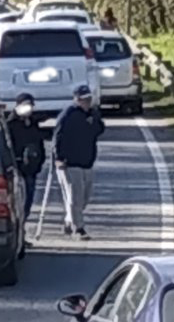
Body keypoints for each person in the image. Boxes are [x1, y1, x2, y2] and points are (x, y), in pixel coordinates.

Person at [53, 84, 105, 240]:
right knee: (75, 197)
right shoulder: (68, 115)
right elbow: (58, 137)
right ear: (76, 99)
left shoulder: (92, 114)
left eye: (88, 99)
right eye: (83, 99)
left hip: (87, 161)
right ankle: (78, 228)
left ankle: (70, 220)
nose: (87, 102)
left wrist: (94, 118)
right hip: (70, 163)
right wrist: (59, 158)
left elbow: (100, 130)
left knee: (85, 197)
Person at [7, 93, 45, 225]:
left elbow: (39, 144)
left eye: (30, 105)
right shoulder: (10, 125)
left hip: (31, 170)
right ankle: (18, 232)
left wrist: (39, 163)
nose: (28, 109)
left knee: (27, 203)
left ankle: (22, 230)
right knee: (17, 204)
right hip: (17, 170)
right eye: (25, 105)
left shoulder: (33, 124)